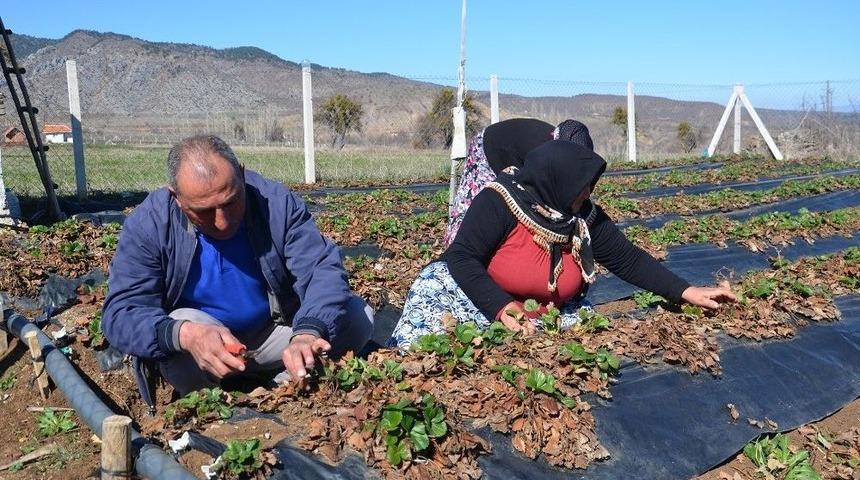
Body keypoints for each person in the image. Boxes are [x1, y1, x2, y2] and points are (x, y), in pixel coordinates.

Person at [102, 135, 373, 400]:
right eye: (204, 211)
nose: (222, 221)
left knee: (358, 316)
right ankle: (209, 402)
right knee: (182, 321)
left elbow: (320, 270)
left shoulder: (276, 204)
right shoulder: (150, 224)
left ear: (241, 174)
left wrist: (306, 333)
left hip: (271, 333)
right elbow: (122, 312)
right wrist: (185, 335)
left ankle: (282, 388)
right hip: (202, 347)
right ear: (176, 198)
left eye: (231, 202)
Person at [390, 140, 735, 348]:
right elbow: (462, 258)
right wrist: (502, 307)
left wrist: (686, 291)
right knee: (434, 327)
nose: (587, 192)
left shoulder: (581, 216)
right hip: (479, 301)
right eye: (580, 185)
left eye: (588, 185)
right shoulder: (499, 201)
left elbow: (628, 260)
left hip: (546, 314)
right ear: (555, 181)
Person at [445, 118, 594, 246]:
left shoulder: (574, 160)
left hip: (515, 148)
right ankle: (455, 251)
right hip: (488, 149)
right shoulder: (546, 156)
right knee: (475, 209)